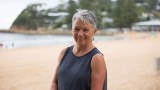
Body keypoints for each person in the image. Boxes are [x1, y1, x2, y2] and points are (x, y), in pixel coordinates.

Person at [50, 9, 107, 90]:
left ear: (94, 31)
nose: (80, 34)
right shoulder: (64, 52)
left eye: (85, 30)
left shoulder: (96, 58)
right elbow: (54, 82)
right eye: (76, 29)